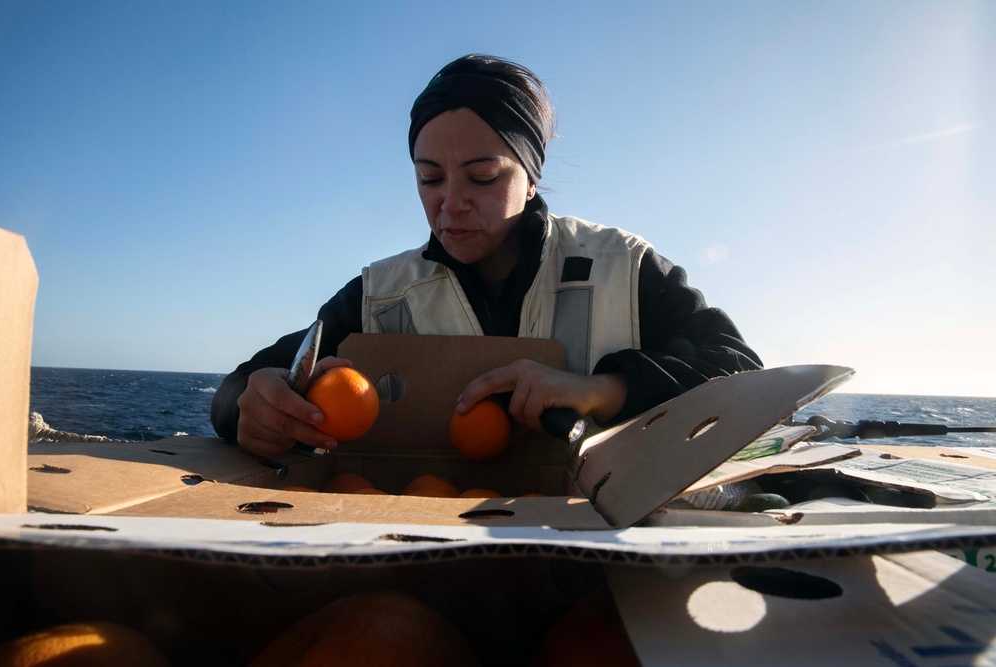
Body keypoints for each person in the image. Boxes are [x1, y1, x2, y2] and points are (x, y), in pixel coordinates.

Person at [211, 54, 763, 458]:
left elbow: (744, 376)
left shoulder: (623, 266)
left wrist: (603, 388)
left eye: (482, 177)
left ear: (531, 177)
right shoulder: (381, 293)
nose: (450, 204)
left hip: (600, 554)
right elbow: (241, 384)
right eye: (429, 178)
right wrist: (250, 410)